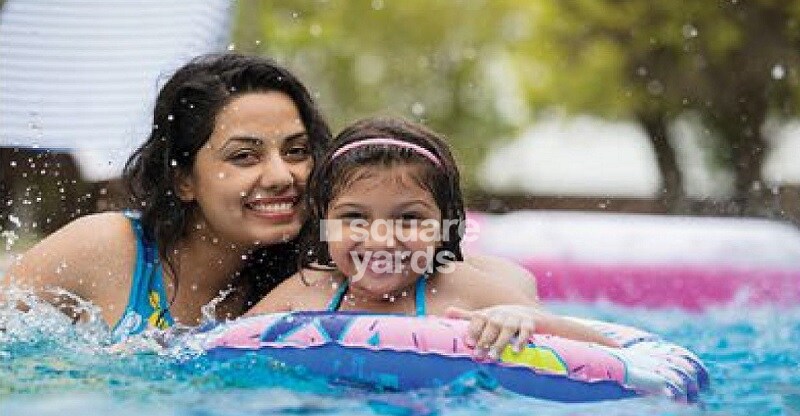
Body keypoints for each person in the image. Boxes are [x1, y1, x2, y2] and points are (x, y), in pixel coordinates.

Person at [1, 53, 538, 342]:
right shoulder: (109, 248)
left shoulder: (322, 266)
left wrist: (515, 307)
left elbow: (486, 275)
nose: (283, 175)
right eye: (244, 156)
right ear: (183, 179)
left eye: (297, 150)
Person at [248, 117, 618, 357]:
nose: (380, 240)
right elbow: (224, 345)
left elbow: (605, 352)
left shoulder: (460, 288)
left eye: (408, 218)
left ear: (444, 226)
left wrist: (524, 317)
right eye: (354, 217)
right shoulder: (309, 290)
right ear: (324, 222)